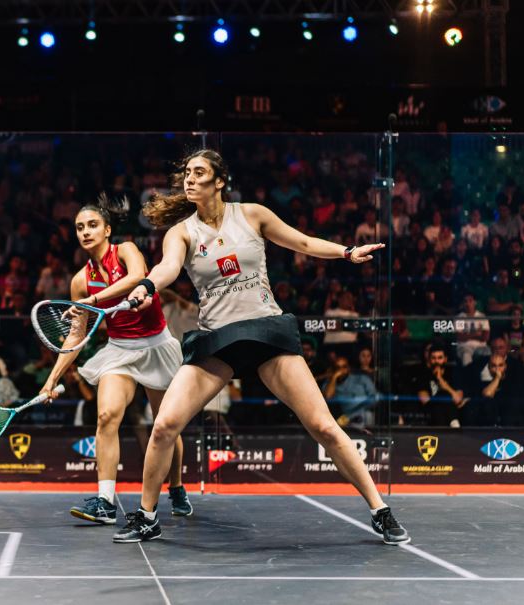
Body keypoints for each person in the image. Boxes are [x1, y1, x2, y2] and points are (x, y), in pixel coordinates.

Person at [114, 149, 408, 545]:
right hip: (217, 341)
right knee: (164, 425)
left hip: (267, 333)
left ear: (220, 181)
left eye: (199, 172)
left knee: (323, 425)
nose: (189, 179)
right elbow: (167, 268)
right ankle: (148, 516)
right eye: (187, 173)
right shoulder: (181, 233)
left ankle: (380, 510)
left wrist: (345, 252)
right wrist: (147, 286)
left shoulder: (252, 215)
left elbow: (302, 241)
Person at [38, 194, 192, 526]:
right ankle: (105, 502)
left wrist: (92, 301)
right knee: (106, 416)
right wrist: (52, 379)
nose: (85, 232)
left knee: (166, 425)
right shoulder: (80, 281)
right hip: (119, 350)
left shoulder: (126, 251)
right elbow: (76, 337)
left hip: (156, 346)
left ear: (107, 229)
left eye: (92, 225)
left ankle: (177, 485)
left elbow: (137, 278)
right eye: (80, 227)